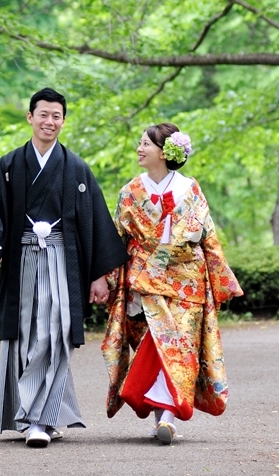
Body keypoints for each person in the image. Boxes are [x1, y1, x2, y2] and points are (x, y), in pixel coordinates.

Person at [0, 87, 129, 448]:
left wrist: (98, 274)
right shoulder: (9, 166)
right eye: (43, 114)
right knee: (22, 337)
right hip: (21, 260)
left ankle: (42, 421)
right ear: (30, 118)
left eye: (56, 116)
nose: (49, 121)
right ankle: (32, 416)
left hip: (60, 260)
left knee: (55, 334)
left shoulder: (76, 168)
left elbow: (94, 221)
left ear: (63, 121)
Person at [101, 123, 243, 444]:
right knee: (153, 345)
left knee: (180, 346)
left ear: (165, 153)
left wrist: (222, 279)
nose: (139, 149)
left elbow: (207, 236)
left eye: (145, 144)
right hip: (145, 279)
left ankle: (168, 418)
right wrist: (109, 282)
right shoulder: (130, 192)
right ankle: (159, 417)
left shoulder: (190, 189)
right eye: (139, 143)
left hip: (186, 280)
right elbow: (117, 239)